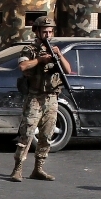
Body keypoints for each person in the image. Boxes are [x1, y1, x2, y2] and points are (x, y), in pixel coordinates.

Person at [10, 16, 72, 182]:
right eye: (45, 32)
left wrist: (59, 55)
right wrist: (40, 60)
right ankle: (17, 168)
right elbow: (23, 66)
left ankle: (38, 168)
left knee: (46, 135)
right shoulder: (30, 50)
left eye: (50, 31)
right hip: (35, 97)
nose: (48, 35)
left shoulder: (55, 49)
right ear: (36, 31)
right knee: (27, 134)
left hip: (51, 98)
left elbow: (68, 70)